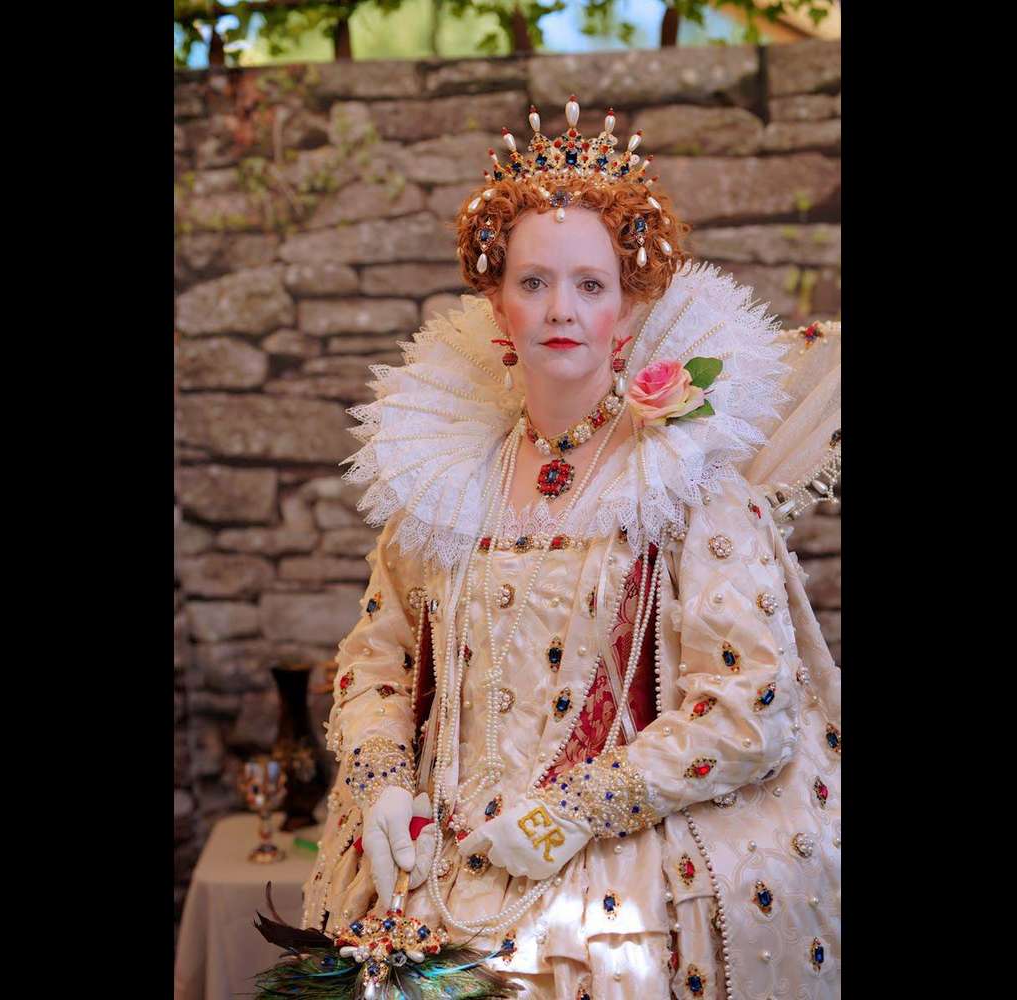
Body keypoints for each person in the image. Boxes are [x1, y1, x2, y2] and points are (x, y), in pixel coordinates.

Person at [300, 96, 841, 999]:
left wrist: (569, 815)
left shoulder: (687, 486)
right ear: (496, 300)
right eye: (534, 282)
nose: (562, 310)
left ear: (626, 309)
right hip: (432, 873)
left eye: (590, 285)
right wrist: (386, 784)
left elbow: (748, 706)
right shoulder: (450, 479)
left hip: (614, 886)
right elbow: (377, 655)